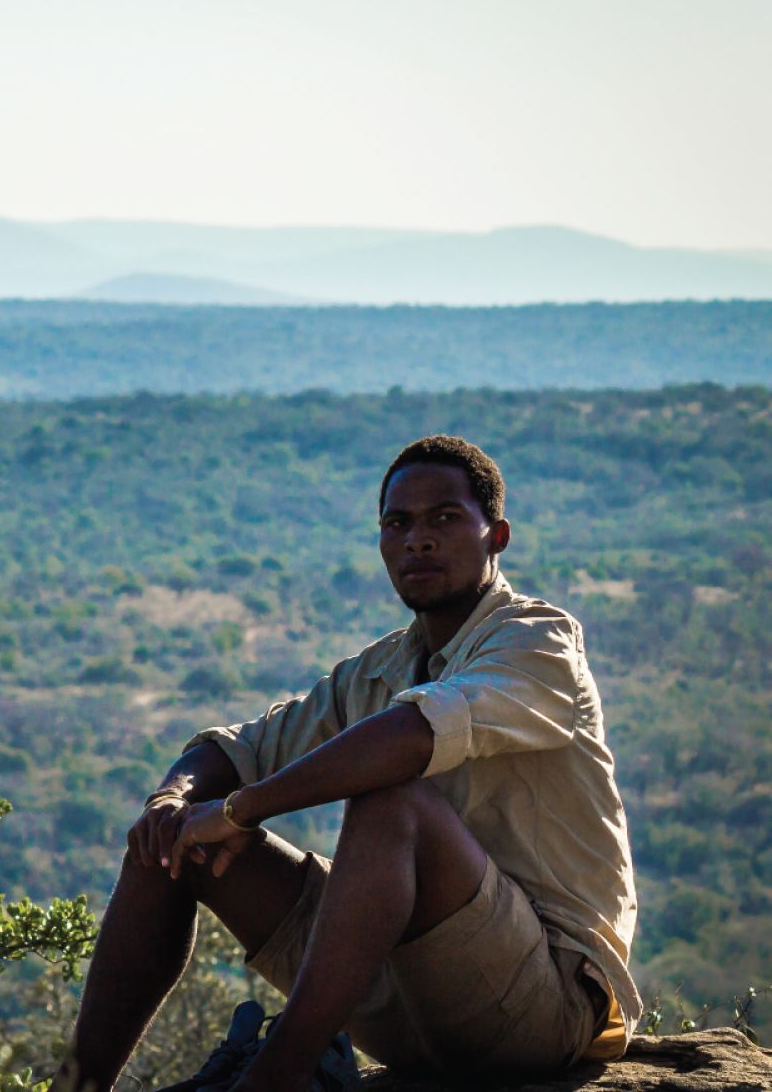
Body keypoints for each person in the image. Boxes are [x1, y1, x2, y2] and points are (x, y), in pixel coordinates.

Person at [57, 435, 639, 1092]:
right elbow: (236, 747)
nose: (419, 540)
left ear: (496, 536)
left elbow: (414, 736)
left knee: (394, 803)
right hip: (408, 999)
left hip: (541, 1003)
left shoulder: (538, 642)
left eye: (445, 518)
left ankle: (277, 1077)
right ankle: (77, 1087)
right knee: (170, 839)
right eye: (399, 524)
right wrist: (170, 801)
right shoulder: (381, 668)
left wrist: (242, 811)